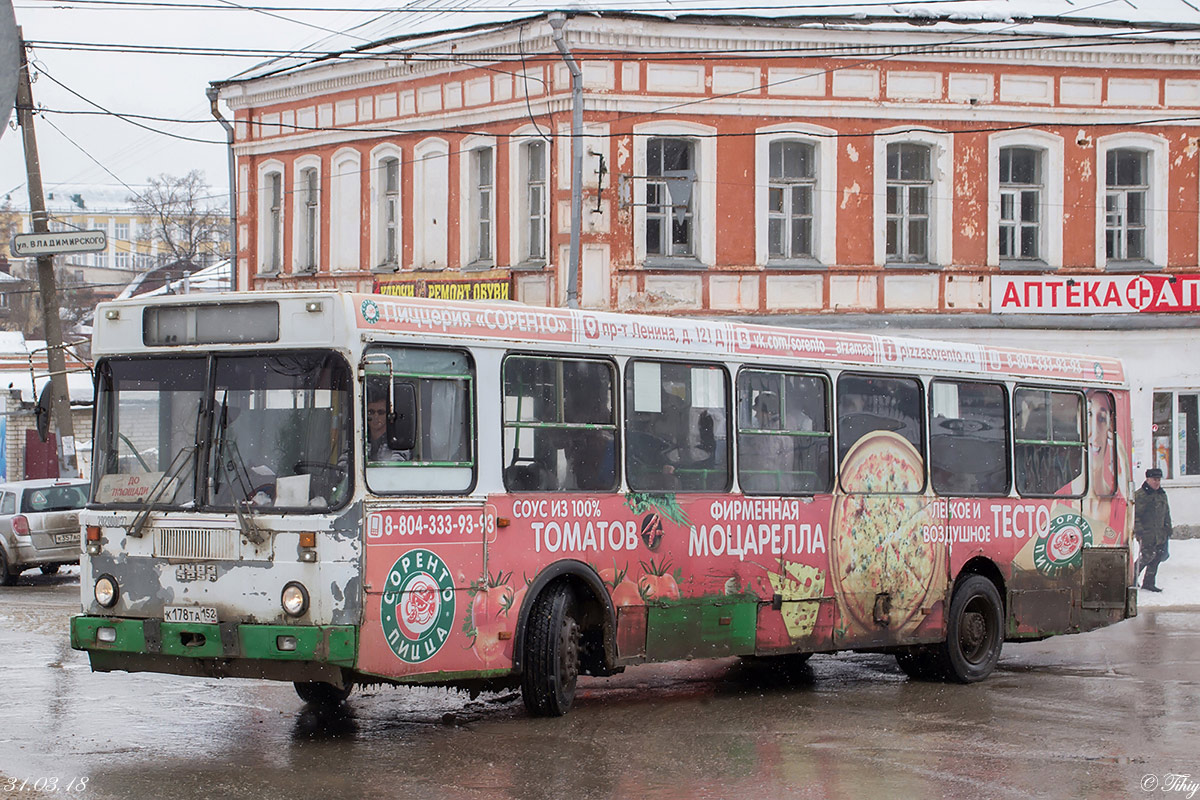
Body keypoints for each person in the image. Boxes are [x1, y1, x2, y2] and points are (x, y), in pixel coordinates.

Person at [1134, 467, 1172, 592]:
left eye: (1159, 480)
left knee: (1157, 557)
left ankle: (1149, 582)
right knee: (1146, 556)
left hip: (1160, 533)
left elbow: (1166, 512)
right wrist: (1139, 531)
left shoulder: (1161, 494)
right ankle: (1131, 578)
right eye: (1155, 479)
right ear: (1148, 479)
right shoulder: (1141, 495)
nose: (1157, 482)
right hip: (1147, 533)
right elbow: (1135, 515)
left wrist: (1168, 528)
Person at [366, 397, 411, 462]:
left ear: (389, 415)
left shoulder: (397, 443)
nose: (375, 416)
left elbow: (395, 468)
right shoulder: (359, 441)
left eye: (380, 412)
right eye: (371, 412)